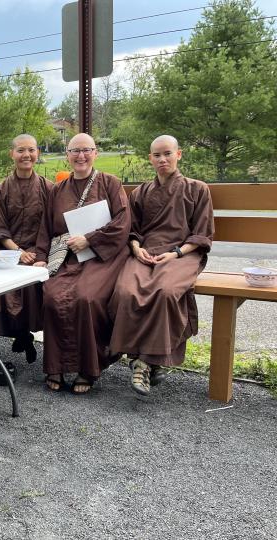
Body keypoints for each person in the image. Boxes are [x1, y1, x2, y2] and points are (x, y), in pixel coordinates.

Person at [109, 135, 214, 395]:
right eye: (157, 155)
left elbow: (202, 234)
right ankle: (144, 360)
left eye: (167, 153)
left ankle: (144, 362)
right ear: (150, 159)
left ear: (179, 154)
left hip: (182, 254)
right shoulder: (142, 192)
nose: (162, 159)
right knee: (125, 291)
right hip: (146, 251)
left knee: (166, 292)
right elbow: (131, 230)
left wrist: (177, 253)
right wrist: (136, 249)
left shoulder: (197, 189)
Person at [33, 133, 131, 394]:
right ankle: (56, 365)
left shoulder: (110, 183)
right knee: (53, 296)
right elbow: (45, 227)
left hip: (102, 258)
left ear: (95, 153)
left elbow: (122, 223)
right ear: (67, 155)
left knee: (87, 298)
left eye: (86, 150)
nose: (81, 156)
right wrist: (42, 257)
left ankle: (88, 368)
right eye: (75, 151)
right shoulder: (57, 191)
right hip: (68, 258)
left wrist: (90, 240)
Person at [0, 135, 53, 372]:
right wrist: (17, 251)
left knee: (36, 281)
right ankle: (22, 334)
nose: (26, 155)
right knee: (8, 286)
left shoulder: (48, 188)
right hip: (9, 250)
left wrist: (37, 253)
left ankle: (25, 334)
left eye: (31, 150)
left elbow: (51, 226)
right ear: (12, 154)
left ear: (37, 153)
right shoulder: (2, 189)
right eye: (20, 150)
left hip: (39, 251)